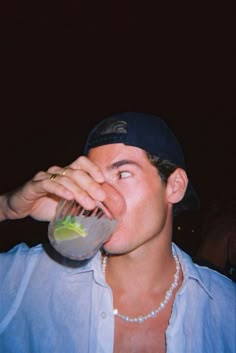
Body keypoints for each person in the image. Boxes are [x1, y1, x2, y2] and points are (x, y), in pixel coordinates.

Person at [0, 112, 235, 353]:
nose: (100, 196)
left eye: (122, 174)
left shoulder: (225, 308)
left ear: (174, 187)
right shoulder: (31, 277)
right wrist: (7, 207)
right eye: (94, 179)